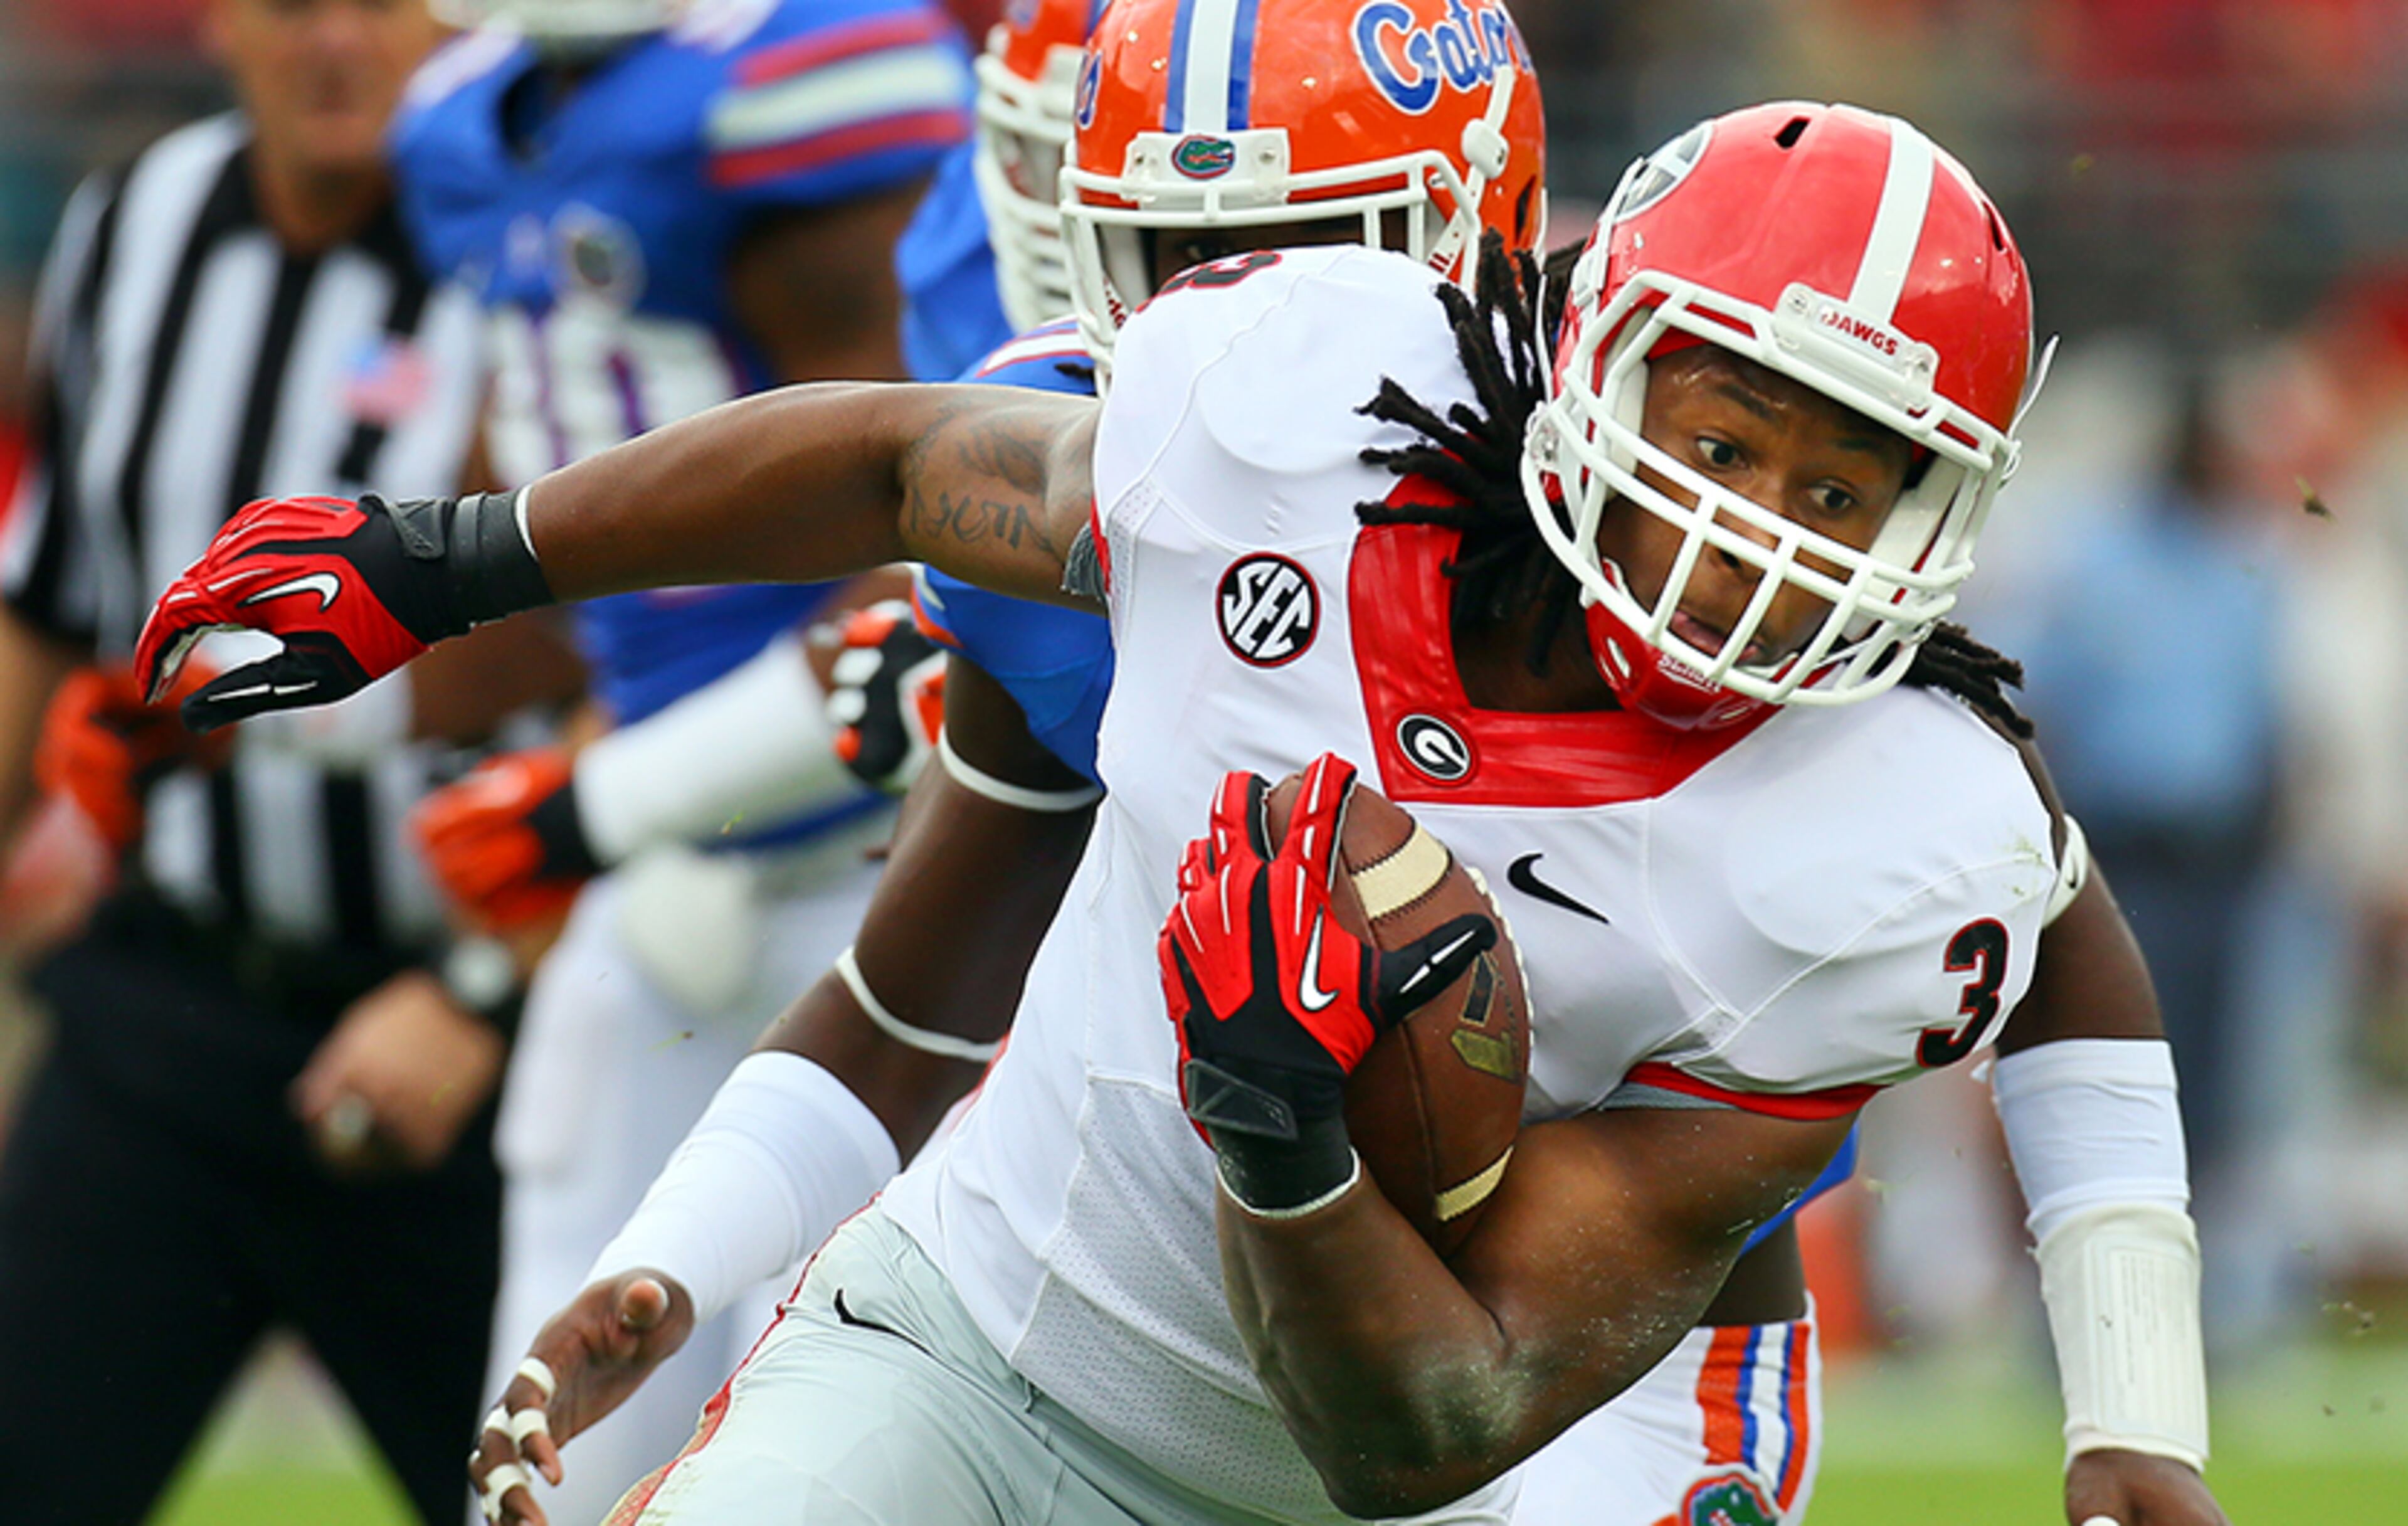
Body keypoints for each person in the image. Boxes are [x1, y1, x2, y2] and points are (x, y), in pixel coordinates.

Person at [139, 100, 2231, 1526]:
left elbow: (1444, 1423)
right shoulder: (1291, 418)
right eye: (1725, 434)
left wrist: (1293, 1149)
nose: (1749, 537)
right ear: (1594, 350)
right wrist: (454, 553)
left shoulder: (1885, 843)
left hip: (1499, 1461)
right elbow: (895, 469)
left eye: (1838, 489)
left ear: (1941, 516)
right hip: (988, 1340)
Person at [382, 0, 976, 1515]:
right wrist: (228, 711)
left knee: (903, 1431)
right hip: (661, 878)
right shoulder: (466, 115)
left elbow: (935, 557)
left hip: (913, 865)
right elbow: (531, 541)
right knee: (547, 1449)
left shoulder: (806, 74)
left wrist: (601, 802)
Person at [0, 0, 583, 1520]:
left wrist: (482, 989)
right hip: (172, 1005)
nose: (336, 45)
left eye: (380, 5)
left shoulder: (548, 246)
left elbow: (659, 661)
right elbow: (53, 609)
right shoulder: (137, 223)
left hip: (476, 1040)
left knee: (561, 1501)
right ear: (219, 23)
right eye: (293, 4)